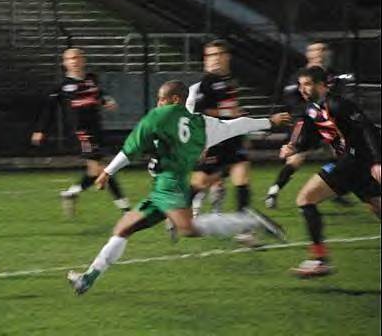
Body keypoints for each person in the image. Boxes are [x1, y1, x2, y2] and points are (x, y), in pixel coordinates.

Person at [67, 80, 291, 295]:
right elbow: (239, 125)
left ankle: (249, 220)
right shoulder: (204, 124)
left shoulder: (159, 116)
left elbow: (131, 147)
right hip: (164, 187)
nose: (157, 104)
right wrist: (269, 121)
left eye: (160, 99)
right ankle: (88, 278)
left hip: (169, 184)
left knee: (187, 228)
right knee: (123, 228)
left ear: (174, 100)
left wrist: (107, 172)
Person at [281, 66, 380, 277]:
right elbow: (311, 139)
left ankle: (319, 260)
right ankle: (319, 260)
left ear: (321, 84)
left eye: (307, 84)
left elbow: (368, 129)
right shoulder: (312, 109)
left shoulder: (337, 104)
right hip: (353, 164)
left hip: (354, 161)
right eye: (300, 85)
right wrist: (293, 147)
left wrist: (377, 162)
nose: (302, 89)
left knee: (306, 198)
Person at [31, 48, 130, 215]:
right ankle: (125, 209)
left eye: (77, 58)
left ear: (83, 60)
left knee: (94, 172)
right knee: (105, 169)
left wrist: (107, 100)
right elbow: (49, 110)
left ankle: (70, 193)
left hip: (96, 129)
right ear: (64, 63)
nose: (74, 61)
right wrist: (40, 130)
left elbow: (100, 95)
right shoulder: (61, 86)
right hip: (81, 132)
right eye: (70, 59)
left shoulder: (92, 79)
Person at [264, 42, 353, 208]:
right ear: (307, 54)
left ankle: (334, 189)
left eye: (323, 49)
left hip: (329, 120)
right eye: (315, 50)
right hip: (307, 121)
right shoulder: (299, 76)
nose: (319, 53)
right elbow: (292, 99)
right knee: (297, 157)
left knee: (344, 153)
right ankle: (273, 191)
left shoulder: (333, 76)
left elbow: (338, 97)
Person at [187, 40, 251, 218]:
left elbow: (230, 110)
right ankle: (176, 213)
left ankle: (243, 227)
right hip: (212, 138)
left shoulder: (228, 81)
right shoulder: (205, 83)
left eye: (217, 54)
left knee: (242, 175)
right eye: (210, 55)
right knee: (201, 181)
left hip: (230, 137)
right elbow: (201, 111)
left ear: (226, 57)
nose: (214, 59)